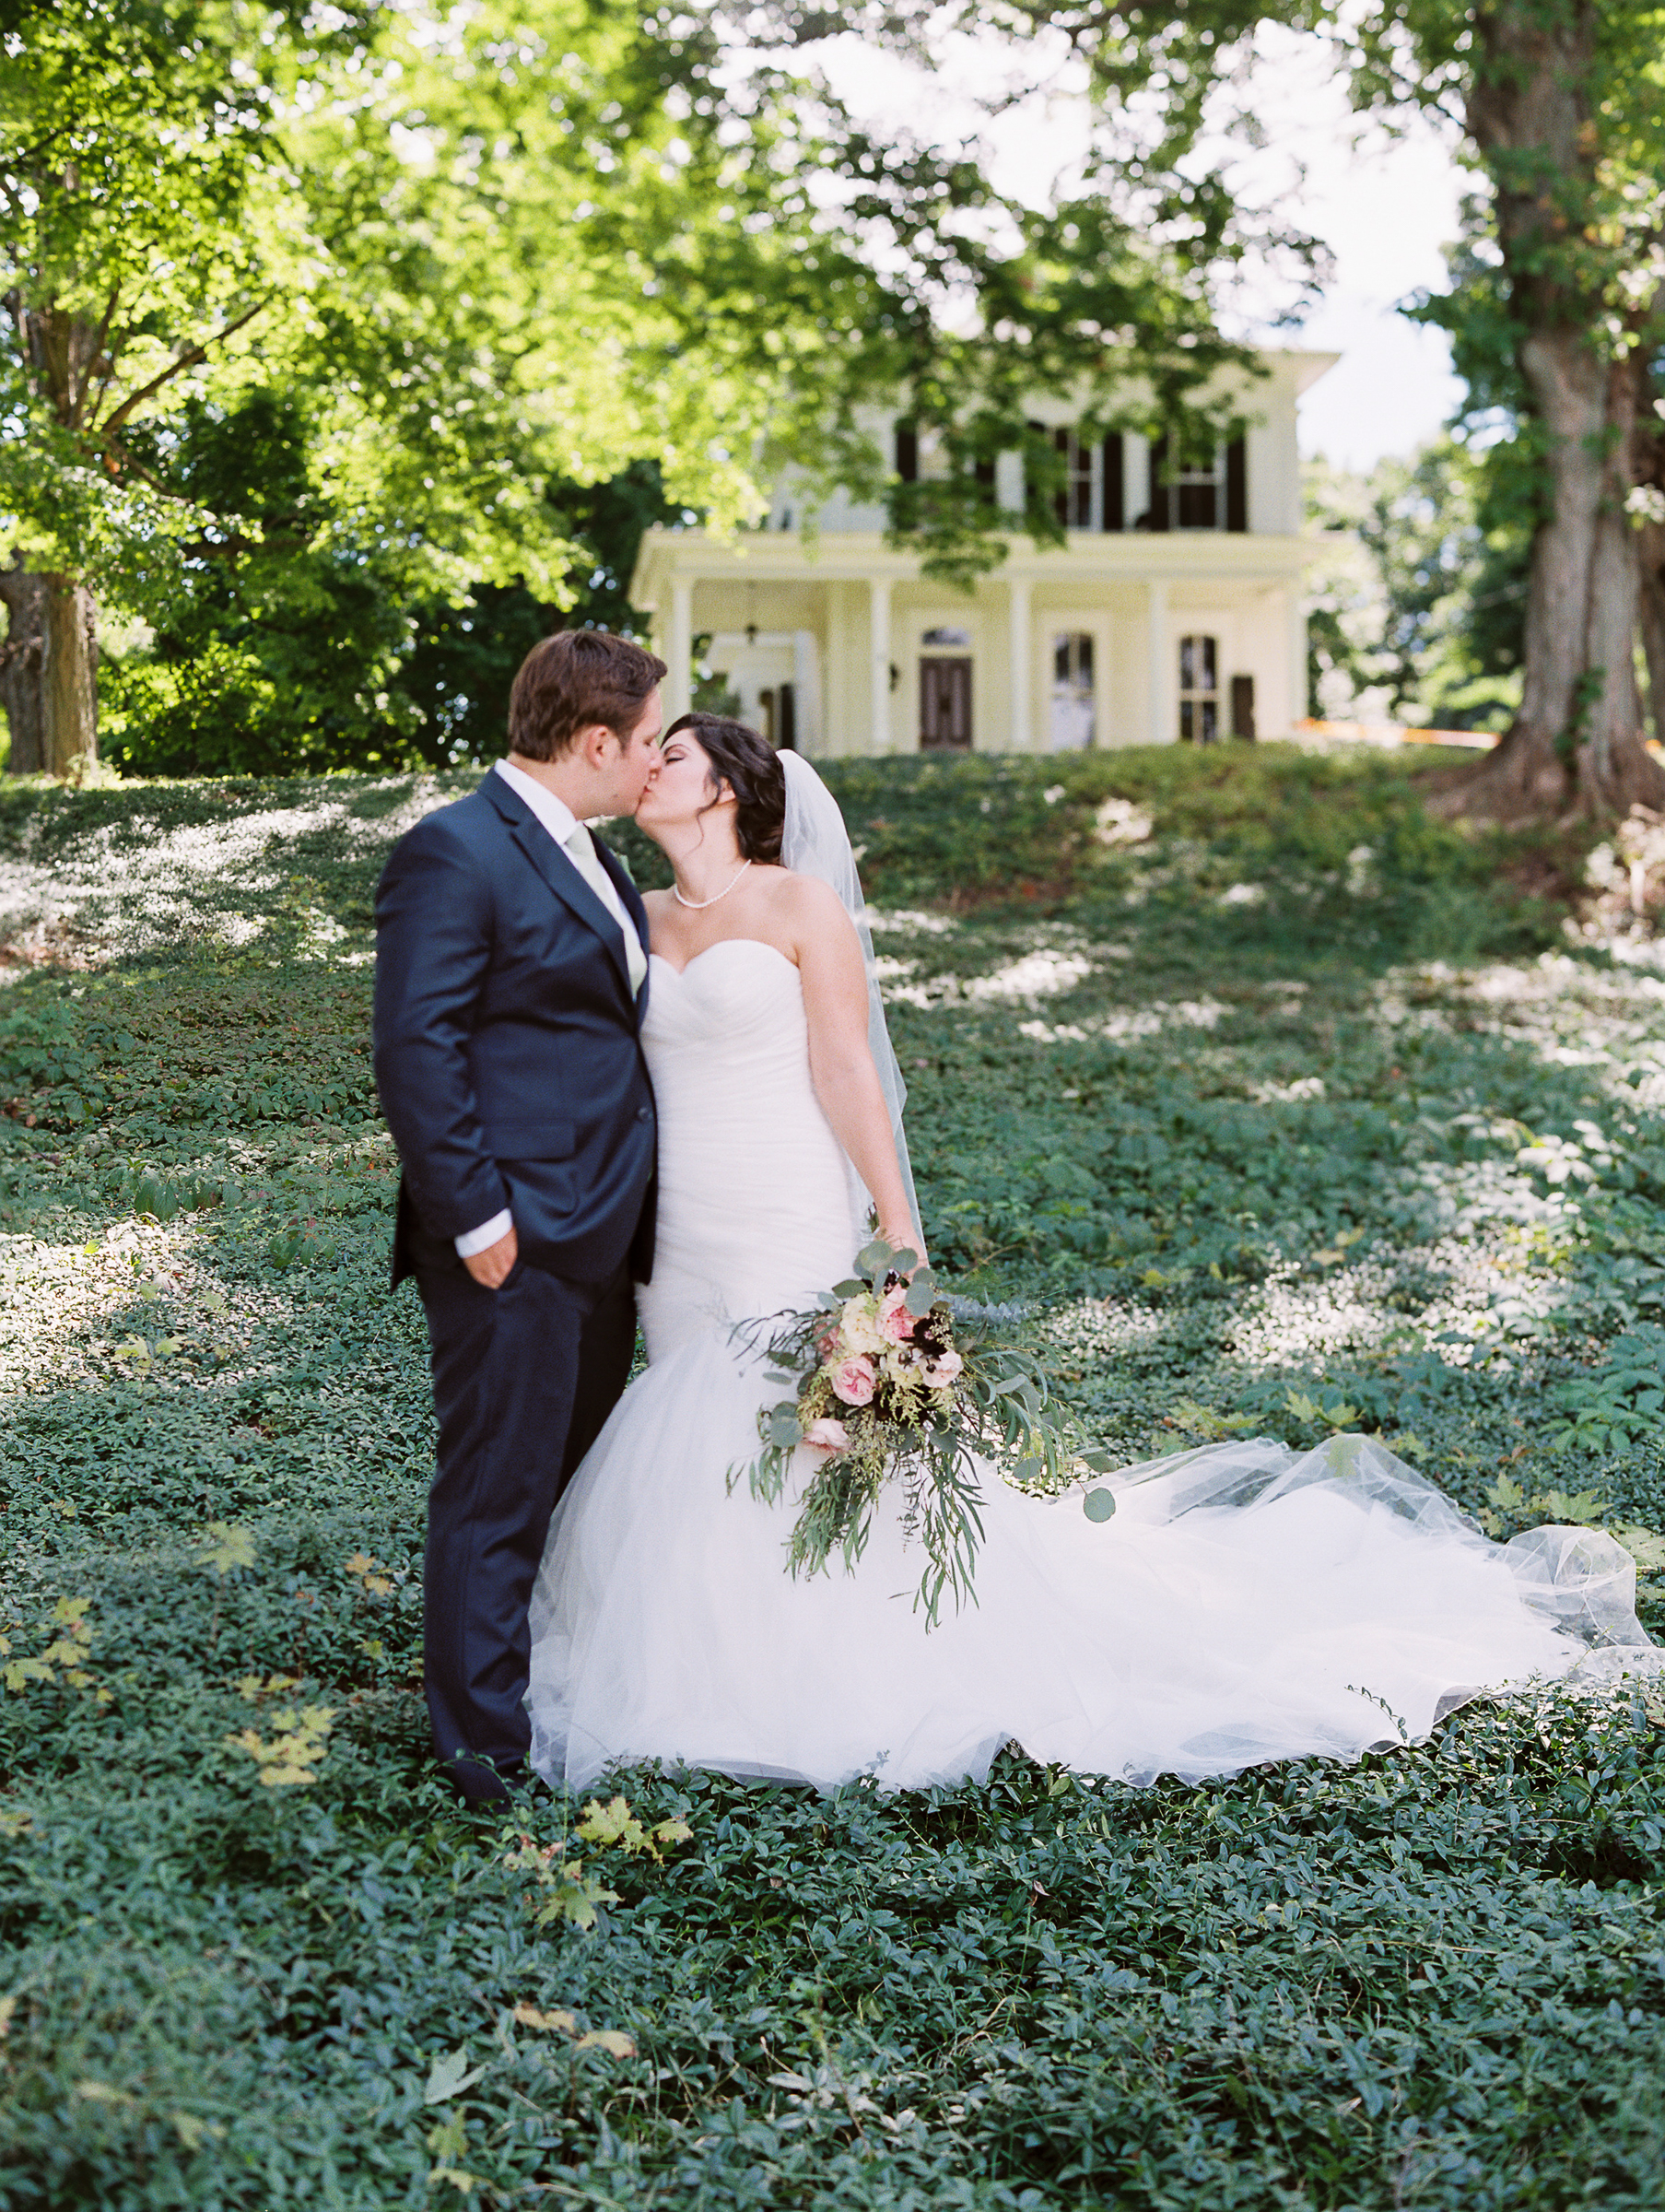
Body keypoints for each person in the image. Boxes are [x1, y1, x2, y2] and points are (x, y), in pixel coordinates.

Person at [525, 713, 1659, 1795]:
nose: (646, 768)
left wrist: (896, 1232)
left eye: (668, 755)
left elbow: (845, 1072)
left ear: (723, 786)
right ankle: (713, 1648)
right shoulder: (642, 915)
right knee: (694, 1417)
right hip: (680, 1223)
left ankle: (841, 1656)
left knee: (811, 1416)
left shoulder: (797, 903)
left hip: (785, 1204)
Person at [373, 629, 665, 1805]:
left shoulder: (596, 854)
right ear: (595, 741)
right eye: (646, 742)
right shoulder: (454, 850)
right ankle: (482, 1755)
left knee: (562, 1486)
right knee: (495, 1492)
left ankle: (536, 1688)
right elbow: (415, 1044)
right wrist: (477, 1215)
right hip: (513, 1239)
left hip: (603, 1237)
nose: (656, 762)